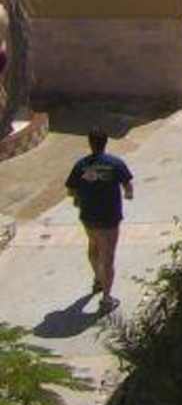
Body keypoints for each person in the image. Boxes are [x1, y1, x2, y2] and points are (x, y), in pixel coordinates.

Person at [64, 128, 134, 312]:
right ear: (106, 142)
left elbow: (70, 190)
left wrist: (78, 198)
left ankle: (98, 279)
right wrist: (128, 194)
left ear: (90, 143)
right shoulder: (116, 163)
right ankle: (106, 298)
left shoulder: (81, 165)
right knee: (107, 256)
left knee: (94, 248)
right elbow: (128, 187)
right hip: (109, 217)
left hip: (88, 216)